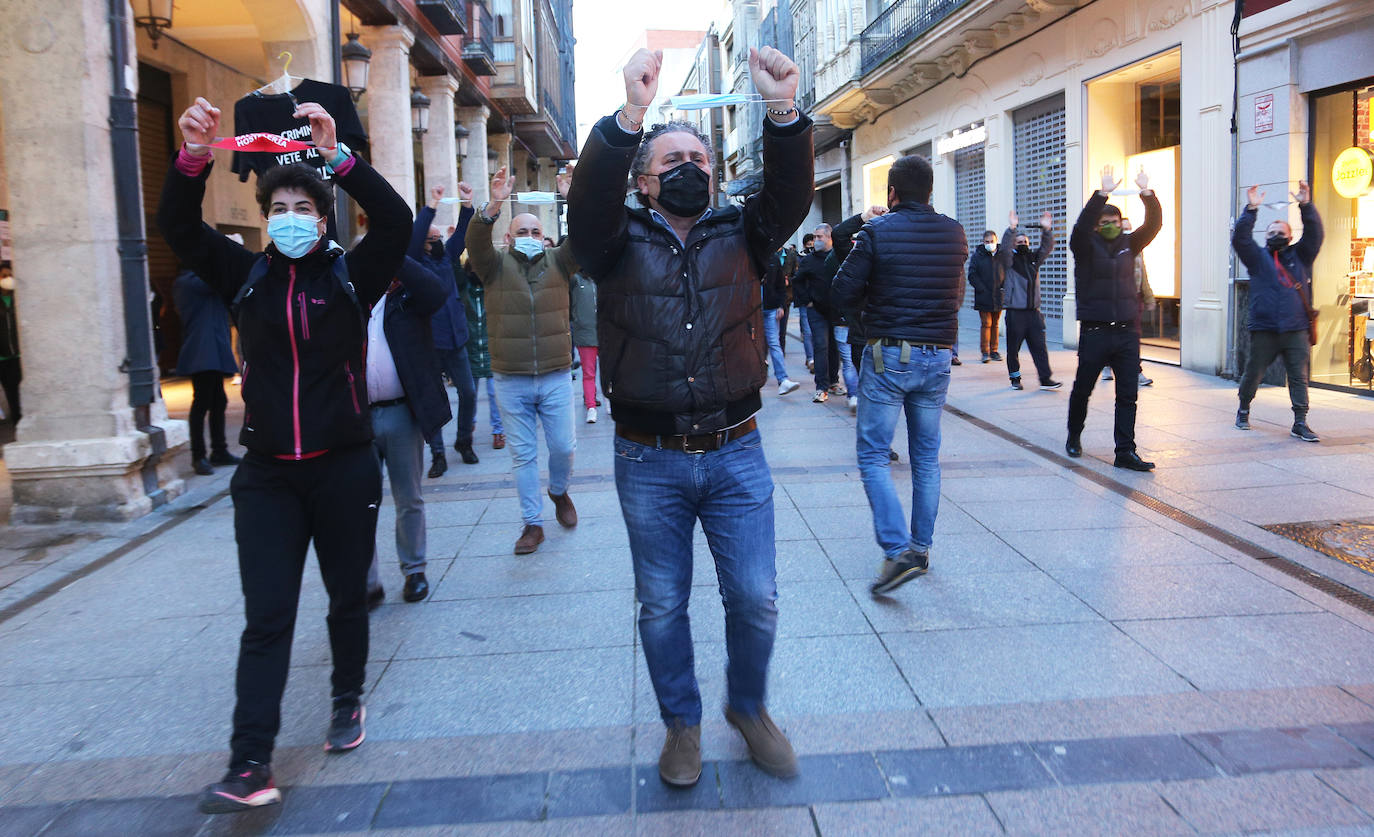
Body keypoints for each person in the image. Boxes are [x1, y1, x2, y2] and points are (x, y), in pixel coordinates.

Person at [568, 44, 813, 787]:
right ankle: (682, 723)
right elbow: (586, 208)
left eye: (699, 160)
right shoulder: (611, 242)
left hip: (738, 448)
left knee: (756, 597)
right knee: (662, 603)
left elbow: (791, 197)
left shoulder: (743, 232)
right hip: (648, 456)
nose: (688, 169)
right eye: (671, 159)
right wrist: (630, 116)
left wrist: (782, 110)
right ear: (643, 181)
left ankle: (749, 706)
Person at [158, 98, 411, 814]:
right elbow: (177, 226)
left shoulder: (349, 277)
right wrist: (191, 156)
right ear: (267, 216)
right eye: (281, 206)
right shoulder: (245, 276)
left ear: (323, 218)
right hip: (268, 474)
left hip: (343, 464)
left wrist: (339, 158)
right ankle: (248, 761)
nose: (292, 215)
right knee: (267, 615)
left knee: (344, 597)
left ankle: (346, 697)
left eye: (305, 204)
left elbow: (393, 221)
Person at [832, 155, 966, 596]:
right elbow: (956, 294)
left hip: (889, 355)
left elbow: (841, 291)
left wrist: (869, 318)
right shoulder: (955, 233)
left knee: (873, 455)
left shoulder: (876, 231)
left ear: (892, 193)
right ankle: (921, 549)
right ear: (929, 191)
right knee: (926, 458)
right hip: (938, 356)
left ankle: (896, 551)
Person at [465, 166, 579, 555]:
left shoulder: (561, 262)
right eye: (522, 232)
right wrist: (494, 204)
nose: (529, 237)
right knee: (523, 455)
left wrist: (570, 199)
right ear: (509, 237)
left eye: (535, 231)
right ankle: (532, 524)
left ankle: (559, 491)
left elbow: (584, 237)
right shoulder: (494, 267)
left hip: (555, 375)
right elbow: (477, 241)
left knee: (563, 447)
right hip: (510, 378)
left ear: (543, 236)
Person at [363, 256, 449, 606]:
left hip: (401, 413)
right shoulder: (348, 299)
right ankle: (367, 582)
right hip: (357, 418)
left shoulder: (407, 298)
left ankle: (414, 570)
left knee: (408, 496)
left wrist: (395, 252)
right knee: (359, 503)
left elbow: (436, 291)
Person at [1065, 165, 1161, 471]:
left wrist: (1147, 193)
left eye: (1114, 221)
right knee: (1083, 389)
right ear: (1097, 225)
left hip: (1126, 333)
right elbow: (1079, 228)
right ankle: (1074, 436)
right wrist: (1101, 194)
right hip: (1095, 332)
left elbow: (1154, 225)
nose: (1109, 225)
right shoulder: (1085, 247)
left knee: (1128, 395)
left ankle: (1125, 451)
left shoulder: (1129, 245)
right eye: (1104, 222)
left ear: (1121, 223)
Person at [1232, 181, 1323, 442]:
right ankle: (1243, 409)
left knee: (1298, 376)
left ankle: (1301, 421)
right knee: (1253, 372)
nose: (1276, 233)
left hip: (1296, 329)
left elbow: (1315, 234)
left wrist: (1306, 205)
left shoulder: (1301, 257)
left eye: (1281, 230)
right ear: (1265, 236)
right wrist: (1251, 209)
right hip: (1265, 329)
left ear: (1290, 236)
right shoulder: (1257, 258)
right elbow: (1240, 239)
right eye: (1271, 230)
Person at [410, 185, 478, 478]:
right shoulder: (414, 260)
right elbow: (415, 235)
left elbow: (462, 234)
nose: (438, 242)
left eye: (440, 238)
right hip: (428, 341)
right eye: (432, 239)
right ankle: (437, 453)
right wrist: (432, 205)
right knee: (432, 398)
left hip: (456, 339)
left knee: (469, 393)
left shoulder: (446, 257)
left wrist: (467, 204)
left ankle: (464, 440)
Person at [172, 266, 241, 474]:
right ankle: (198, 455)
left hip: (212, 349)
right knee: (201, 403)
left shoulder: (196, 280)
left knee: (219, 401)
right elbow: (219, 279)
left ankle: (219, 451)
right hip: (203, 350)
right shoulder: (189, 282)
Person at [998, 210, 1061, 392]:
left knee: (1040, 348)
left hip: (1034, 313)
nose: (1023, 244)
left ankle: (1045, 379)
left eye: (1025, 241)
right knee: (1013, 349)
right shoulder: (1009, 261)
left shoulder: (1033, 260)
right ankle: (1015, 378)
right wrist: (1012, 228)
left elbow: (1046, 248)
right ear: (1014, 245)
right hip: (1015, 313)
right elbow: (1004, 249)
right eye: (1019, 242)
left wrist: (1047, 230)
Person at [1102, 217, 1155, 387]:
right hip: (1113, 299)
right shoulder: (1109, 248)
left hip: (1134, 298)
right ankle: (1107, 365)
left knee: (1133, 335)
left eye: (1129, 228)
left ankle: (1136, 372)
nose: (1126, 232)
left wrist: (1148, 296)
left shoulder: (1136, 248)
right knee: (1111, 334)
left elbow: (1143, 274)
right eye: (1123, 228)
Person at [793, 223, 841, 401]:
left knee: (834, 346)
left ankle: (833, 381)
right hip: (816, 311)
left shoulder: (838, 257)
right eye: (815, 237)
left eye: (820, 237)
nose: (816, 240)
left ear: (830, 238)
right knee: (821, 346)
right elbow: (797, 281)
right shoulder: (808, 261)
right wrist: (807, 300)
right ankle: (821, 386)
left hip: (835, 310)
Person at [462, 258, 505, 449]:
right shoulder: (464, 293)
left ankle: (498, 431)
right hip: (470, 350)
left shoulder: (493, 290)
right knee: (470, 393)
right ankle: (468, 426)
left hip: (490, 349)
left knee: (494, 392)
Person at [762, 249, 801, 395]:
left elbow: (780, 285)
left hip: (770, 308)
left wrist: (780, 305)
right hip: (752, 310)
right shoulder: (749, 257)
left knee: (774, 343)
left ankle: (782, 379)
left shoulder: (773, 259)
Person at [570, 270, 602, 421]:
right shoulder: (575, 279)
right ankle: (591, 406)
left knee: (608, 371)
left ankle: (608, 401)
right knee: (589, 373)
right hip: (585, 332)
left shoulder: (599, 278)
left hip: (604, 332)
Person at [967, 229, 1003, 363]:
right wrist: (981, 288)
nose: (990, 244)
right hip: (984, 295)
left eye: (992, 241)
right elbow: (972, 274)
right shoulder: (978, 256)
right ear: (983, 242)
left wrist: (1003, 287)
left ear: (996, 241)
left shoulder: (1001, 255)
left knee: (995, 324)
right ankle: (985, 352)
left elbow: (1007, 271)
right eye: (987, 242)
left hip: (998, 295)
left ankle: (994, 350)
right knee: (986, 323)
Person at [0, 263, 22, 424]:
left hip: (19, 354)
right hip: (2, 357)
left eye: (10, 275)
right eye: (4, 276)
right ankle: (17, 420)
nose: (7, 279)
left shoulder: (19, 300)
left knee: (21, 387)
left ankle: (23, 417)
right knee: (10, 390)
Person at [796, 233, 815, 370]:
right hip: (805, 301)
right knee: (808, 331)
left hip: (819, 300)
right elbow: (797, 281)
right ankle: (811, 358)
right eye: (809, 245)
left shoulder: (821, 258)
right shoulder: (800, 259)